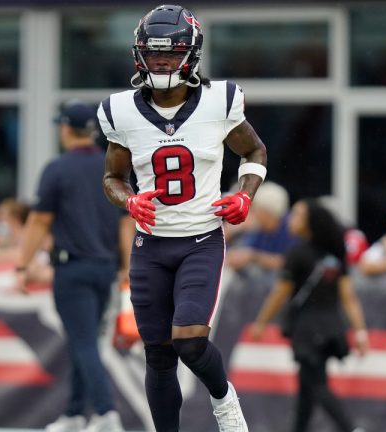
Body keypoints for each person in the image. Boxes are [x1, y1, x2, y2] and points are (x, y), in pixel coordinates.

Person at [100, 5, 267, 431]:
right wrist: (128, 201)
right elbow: (112, 177)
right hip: (150, 244)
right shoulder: (121, 110)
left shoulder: (219, 101)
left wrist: (244, 196)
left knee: (190, 344)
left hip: (200, 240)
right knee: (157, 354)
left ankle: (224, 399)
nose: (160, 62)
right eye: (153, 54)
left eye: (171, 54)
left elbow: (254, 152)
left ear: (191, 55)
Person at [16, 101, 133, 432]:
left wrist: (21, 265)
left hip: (74, 269)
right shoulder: (112, 166)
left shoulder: (58, 169)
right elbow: (127, 222)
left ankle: (107, 413)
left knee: (82, 343)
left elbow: (39, 220)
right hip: (105, 269)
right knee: (85, 343)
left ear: (67, 129)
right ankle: (74, 413)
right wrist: (127, 265)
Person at [250, 198, 368, 432]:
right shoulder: (334, 254)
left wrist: (261, 322)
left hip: (307, 329)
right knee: (307, 388)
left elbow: (279, 293)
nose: (290, 220)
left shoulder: (297, 253)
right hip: (331, 327)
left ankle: (351, 429)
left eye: (297, 216)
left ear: (309, 223)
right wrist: (360, 330)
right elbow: (348, 297)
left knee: (318, 385)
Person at [226, 181, 296, 271]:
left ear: (267, 212)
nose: (252, 211)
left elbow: (288, 262)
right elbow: (242, 251)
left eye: (255, 208)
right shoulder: (259, 227)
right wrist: (231, 231)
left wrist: (254, 256)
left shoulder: (291, 228)